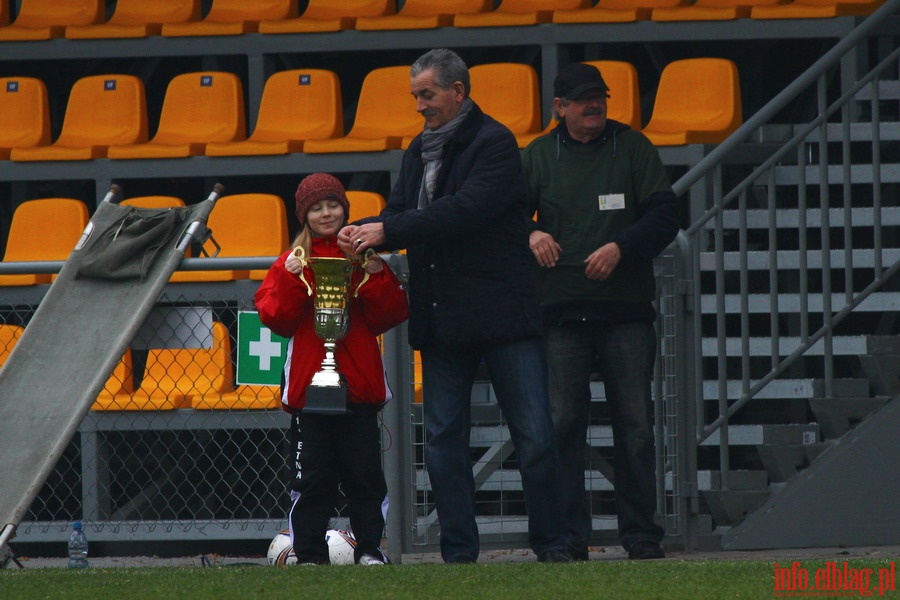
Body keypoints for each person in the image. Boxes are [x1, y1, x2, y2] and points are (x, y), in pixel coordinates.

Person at [337, 48, 571, 564]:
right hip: (441, 317)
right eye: (415, 96)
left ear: (458, 92)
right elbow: (401, 211)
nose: (419, 105)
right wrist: (368, 231)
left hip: (504, 313)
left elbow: (466, 210)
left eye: (428, 94)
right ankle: (458, 554)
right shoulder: (417, 150)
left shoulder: (496, 143)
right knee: (443, 440)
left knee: (533, 435)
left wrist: (390, 228)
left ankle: (554, 546)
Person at [521, 62, 680, 560]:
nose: (594, 106)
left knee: (635, 427)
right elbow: (504, 216)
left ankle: (640, 534)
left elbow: (665, 214)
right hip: (561, 313)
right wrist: (530, 232)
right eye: (583, 98)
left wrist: (621, 248)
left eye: (600, 97)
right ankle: (570, 537)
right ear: (559, 108)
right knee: (563, 426)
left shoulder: (632, 147)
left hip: (625, 311)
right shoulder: (538, 156)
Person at [254, 173, 409, 566]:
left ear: (345, 209)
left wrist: (374, 275)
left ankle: (370, 550)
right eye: (317, 207)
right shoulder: (292, 261)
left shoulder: (365, 258)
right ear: (304, 216)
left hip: (358, 387)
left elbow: (389, 314)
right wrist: (291, 278)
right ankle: (308, 555)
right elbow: (275, 317)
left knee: (365, 477)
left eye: (333, 205)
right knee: (312, 479)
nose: (327, 213)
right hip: (311, 391)